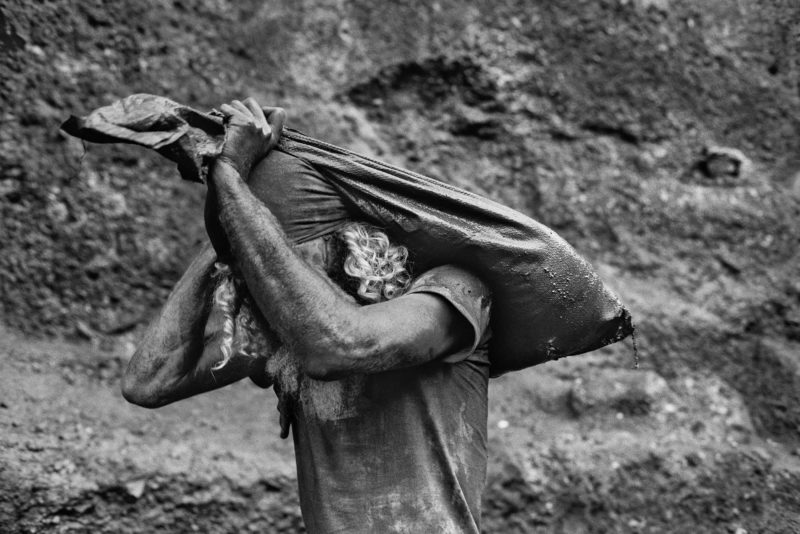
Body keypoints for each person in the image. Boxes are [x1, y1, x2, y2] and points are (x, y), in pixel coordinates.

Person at [121, 97, 492, 533]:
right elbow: (149, 381)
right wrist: (229, 229)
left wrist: (230, 184)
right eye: (260, 265)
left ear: (349, 245)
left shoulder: (453, 291)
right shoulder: (285, 328)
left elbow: (338, 347)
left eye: (281, 257)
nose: (267, 280)